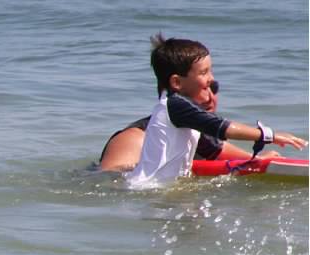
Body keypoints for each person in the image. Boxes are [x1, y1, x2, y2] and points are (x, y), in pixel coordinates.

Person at [123, 34, 304, 188]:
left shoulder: (183, 114)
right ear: (176, 82)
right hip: (147, 187)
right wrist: (267, 135)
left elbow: (212, 148)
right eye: (204, 73)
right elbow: (223, 128)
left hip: (159, 188)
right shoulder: (175, 105)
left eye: (210, 71)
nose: (211, 79)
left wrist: (255, 160)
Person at [97, 78, 248, 171]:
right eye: (202, 88)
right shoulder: (135, 138)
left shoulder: (203, 138)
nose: (210, 97)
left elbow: (252, 162)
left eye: (213, 88)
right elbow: (109, 178)